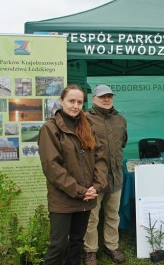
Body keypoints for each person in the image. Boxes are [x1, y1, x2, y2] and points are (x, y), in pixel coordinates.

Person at [38, 84, 108, 265]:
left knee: (77, 243)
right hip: (63, 199)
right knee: (58, 246)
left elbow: (100, 158)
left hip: (86, 197)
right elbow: (52, 167)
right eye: (71, 101)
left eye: (79, 102)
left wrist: (97, 186)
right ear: (62, 101)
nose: (75, 106)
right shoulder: (50, 129)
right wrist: (79, 190)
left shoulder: (87, 127)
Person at [83, 84, 128, 265]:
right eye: (102, 96)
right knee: (91, 216)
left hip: (116, 176)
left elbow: (122, 143)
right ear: (94, 99)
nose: (106, 99)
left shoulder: (121, 120)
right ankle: (90, 250)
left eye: (109, 96)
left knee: (112, 214)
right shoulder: (84, 119)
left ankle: (112, 246)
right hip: (94, 178)